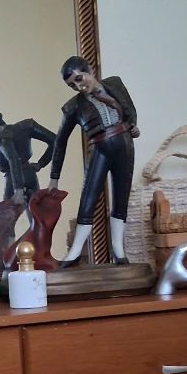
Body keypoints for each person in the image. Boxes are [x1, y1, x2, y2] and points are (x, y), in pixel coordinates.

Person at [48, 56, 140, 265]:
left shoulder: (114, 84)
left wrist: (132, 125)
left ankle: (118, 250)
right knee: (88, 199)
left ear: (89, 69)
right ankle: (75, 252)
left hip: (125, 145)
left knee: (121, 197)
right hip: (100, 148)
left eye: (80, 79)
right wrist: (54, 177)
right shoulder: (73, 107)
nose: (79, 87)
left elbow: (129, 108)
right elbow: (60, 142)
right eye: (72, 85)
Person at [0, 109, 55, 204]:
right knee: (35, 208)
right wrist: (40, 164)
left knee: (7, 212)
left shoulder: (4, 140)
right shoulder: (25, 127)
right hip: (30, 174)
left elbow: (14, 159)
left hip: (13, 180)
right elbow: (55, 141)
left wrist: (18, 190)